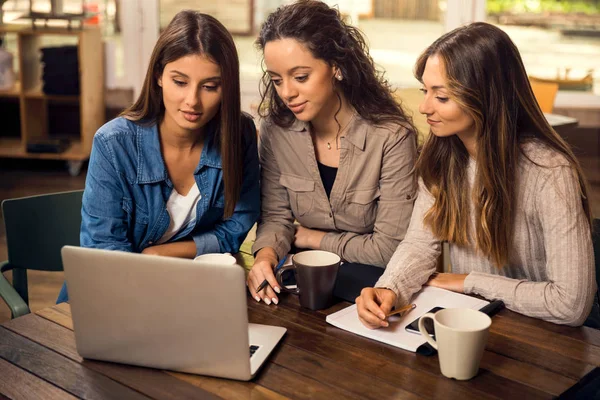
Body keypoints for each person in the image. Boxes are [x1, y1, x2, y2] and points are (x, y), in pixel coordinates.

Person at [357, 22, 596, 328]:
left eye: (441, 97)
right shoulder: (440, 159)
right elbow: (420, 243)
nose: (425, 107)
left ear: (486, 98)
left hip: (541, 335)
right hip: (471, 322)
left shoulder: (550, 172)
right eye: (425, 91)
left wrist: (468, 281)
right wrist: (388, 287)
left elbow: (571, 304)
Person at [56, 10, 260, 303]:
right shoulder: (113, 144)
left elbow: (235, 229)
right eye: (180, 82)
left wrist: (161, 253)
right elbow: (103, 250)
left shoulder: (239, 135)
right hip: (111, 295)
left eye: (210, 86)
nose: (192, 101)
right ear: (159, 76)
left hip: (188, 290)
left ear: (226, 87)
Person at [247, 0, 418, 305]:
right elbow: (275, 215)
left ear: (336, 67)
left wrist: (311, 237)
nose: (286, 92)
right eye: (276, 79)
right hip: (299, 283)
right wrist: (265, 257)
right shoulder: (276, 131)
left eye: (300, 77)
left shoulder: (391, 137)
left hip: (370, 291)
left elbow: (388, 248)